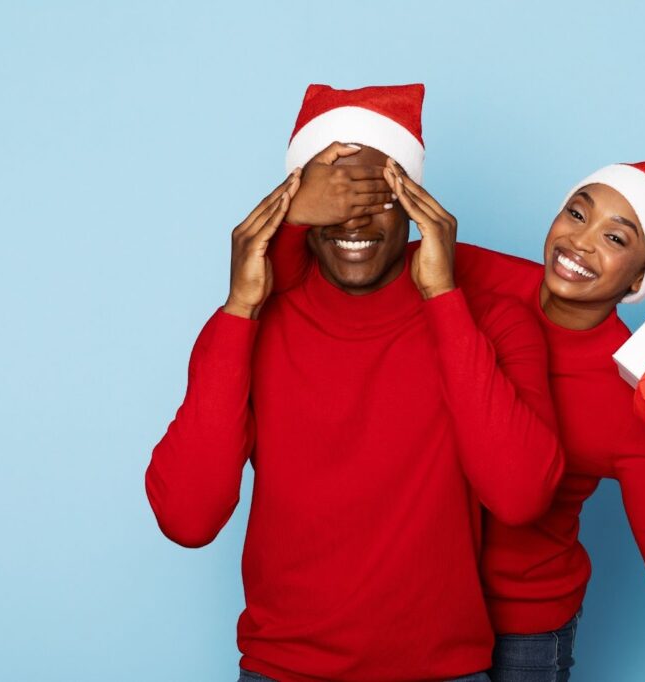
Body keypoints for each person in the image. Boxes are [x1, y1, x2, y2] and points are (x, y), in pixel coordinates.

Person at [273, 158, 645, 681]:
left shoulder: (639, 397)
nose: (581, 242)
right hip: (412, 611)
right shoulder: (471, 273)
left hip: (523, 632)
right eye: (577, 212)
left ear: (641, 276)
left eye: (615, 238)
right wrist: (302, 210)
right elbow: (336, 270)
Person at [144, 83, 565, 682]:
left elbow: (521, 495)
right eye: (332, 199)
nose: (355, 218)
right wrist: (239, 305)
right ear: (296, 210)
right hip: (282, 671)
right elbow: (189, 516)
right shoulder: (250, 329)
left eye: (378, 196)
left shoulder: (489, 322)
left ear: (416, 205)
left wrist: (443, 298)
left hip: (442, 672)